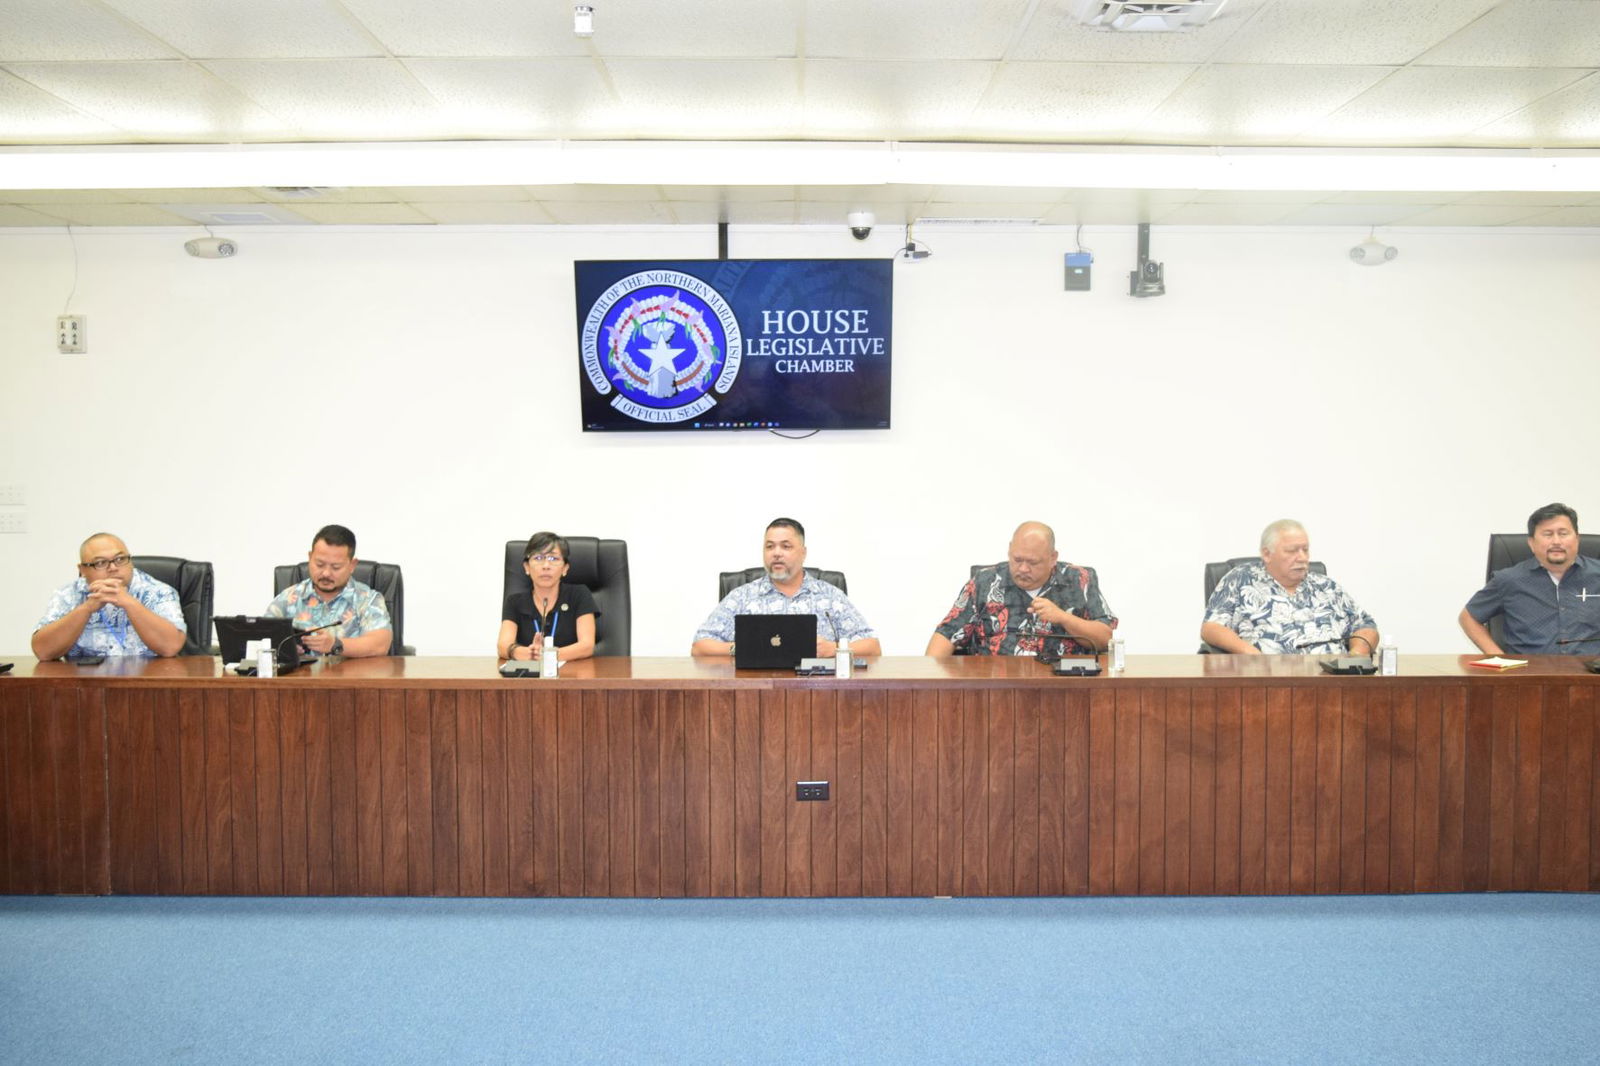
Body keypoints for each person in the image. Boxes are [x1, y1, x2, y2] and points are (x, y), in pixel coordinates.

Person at [692, 517, 881, 657]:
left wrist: (835, 649)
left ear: (803, 553)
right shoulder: (742, 596)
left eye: (786, 546)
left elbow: (872, 647)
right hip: (753, 695)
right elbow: (699, 647)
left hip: (818, 695)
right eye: (769, 546)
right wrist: (740, 647)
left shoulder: (829, 596)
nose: (776, 553)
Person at [926, 521, 1115, 657]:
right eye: (1017, 560)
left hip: (1063, 689)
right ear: (1009, 550)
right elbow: (946, 635)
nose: (1023, 568)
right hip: (995, 689)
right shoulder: (985, 582)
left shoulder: (1079, 580)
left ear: (1052, 558)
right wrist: (930, 684)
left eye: (1033, 562)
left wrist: (1063, 618)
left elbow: (1105, 638)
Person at [1201, 519, 1378, 655]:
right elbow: (1212, 628)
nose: (1302, 557)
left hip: (1334, 683)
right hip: (1270, 683)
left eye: (1305, 550)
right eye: (1292, 551)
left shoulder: (1325, 586)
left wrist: (1356, 656)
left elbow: (1365, 624)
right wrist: (1251, 655)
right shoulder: (1240, 579)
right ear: (1266, 554)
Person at [1459, 502, 1600, 655]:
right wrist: (1498, 657)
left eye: (1563, 533)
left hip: (1590, 674)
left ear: (1577, 539)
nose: (1556, 541)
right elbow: (1468, 618)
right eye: (1547, 534)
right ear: (1531, 543)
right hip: (1528, 674)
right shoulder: (1509, 580)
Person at [32, 532, 187, 659]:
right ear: (83, 570)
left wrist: (129, 603)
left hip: (148, 687)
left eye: (120, 559)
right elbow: (43, 651)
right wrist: (86, 609)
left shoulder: (157, 591)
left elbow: (170, 647)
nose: (113, 568)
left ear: (130, 561)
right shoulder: (67, 596)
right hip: (86, 687)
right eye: (100, 563)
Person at [264, 524, 393, 658]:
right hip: (301, 677)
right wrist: (284, 650)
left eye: (336, 567)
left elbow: (380, 645)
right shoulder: (289, 598)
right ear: (310, 557)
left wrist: (336, 644)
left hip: (351, 677)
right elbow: (262, 639)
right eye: (319, 564)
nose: (326, 573)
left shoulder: (368, 600)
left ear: (352, 565)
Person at [499, 532, 598, 662]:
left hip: (573, 675)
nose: (546, 566)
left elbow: (587, 646)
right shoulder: (514, 602)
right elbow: (502, 646)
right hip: (530, 678)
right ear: (527, 567)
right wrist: (526, 653)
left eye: (553, 559)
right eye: (538, 558)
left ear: (565, 568)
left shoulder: (579, 594)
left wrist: (547, 655)